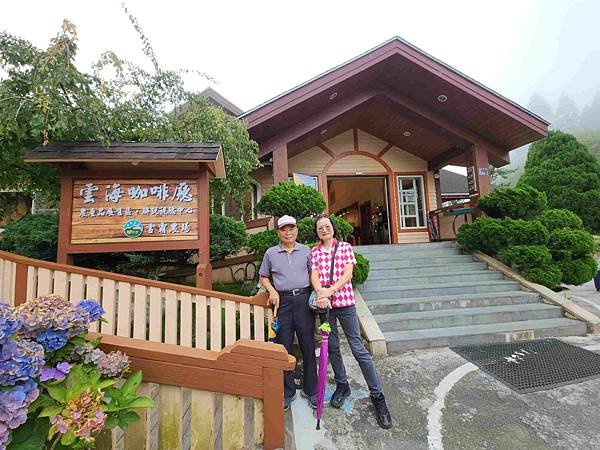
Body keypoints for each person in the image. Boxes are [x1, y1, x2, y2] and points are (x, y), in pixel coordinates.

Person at [310, 214, 393, 429]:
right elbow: (314, 275)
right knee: (333, 348)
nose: (324, 230)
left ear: (333, 228)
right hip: (325, 309)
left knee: (358, 349)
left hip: (345, 305)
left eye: (327, 226)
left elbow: (348, 274)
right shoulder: (314, 252)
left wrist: (329, 291)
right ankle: (342, 385)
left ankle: (378, 396)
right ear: (316, 232)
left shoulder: (345, 247)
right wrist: (320, 293)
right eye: (320, 228)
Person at [259, 215, 318, 411]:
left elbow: (314, 275)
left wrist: (319, 292)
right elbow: (264, 276)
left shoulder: (306, 251)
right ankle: (287, 391)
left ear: (297, 230)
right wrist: (273, 291)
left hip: (303, 300)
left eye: (291, 228)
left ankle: (312, 390)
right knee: (283, 348)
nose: (288, 232)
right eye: (284, 229)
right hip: (282, 303)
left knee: (308, 345)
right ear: (279, 232)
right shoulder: (271, 253)